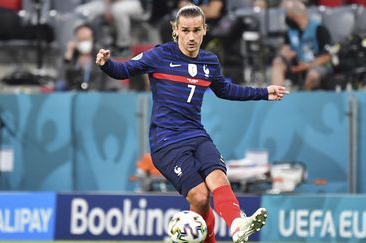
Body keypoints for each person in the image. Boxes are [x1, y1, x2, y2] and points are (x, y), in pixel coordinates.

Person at [96, 4, 288, 243]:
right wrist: (106, 64)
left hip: (196, 135)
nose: (191, 36)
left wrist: (263, 92)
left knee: (218, 177)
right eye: (185, 30)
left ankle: (237, 224)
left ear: (205, 30)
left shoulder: (209, 62)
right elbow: (123, 70)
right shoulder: (159, 55)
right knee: (199, 197)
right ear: (175, 30)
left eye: (196, 30)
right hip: (166, 142)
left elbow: (226, 90)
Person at [271, 0, 333, 90]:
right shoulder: (290, 32)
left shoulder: (319, 29)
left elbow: (327, 56)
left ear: (295, 16)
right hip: (297, 64)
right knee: (278, 63)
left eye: (288, 15)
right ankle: (276, 98)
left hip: (316, 64)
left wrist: (308, 65)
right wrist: (285, 55)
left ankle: (304, 98)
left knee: (313, 75)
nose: (286, 18)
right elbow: (285, 50)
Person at [75, 0, 144, 52]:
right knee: (80, 11)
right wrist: (108, 8)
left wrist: (109, 9)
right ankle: (85, 44)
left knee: (118, 10)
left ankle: (123, 45)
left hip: (129, 2)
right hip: (106, 3)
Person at [59, 23, 108, 91]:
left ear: (93, 39)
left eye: (87, 39)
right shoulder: (71, 59)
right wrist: (68, 55)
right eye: (81, 40)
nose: (84, 42)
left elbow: (111, 82)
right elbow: (61, 79)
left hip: (96, 95)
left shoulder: (102, 58)